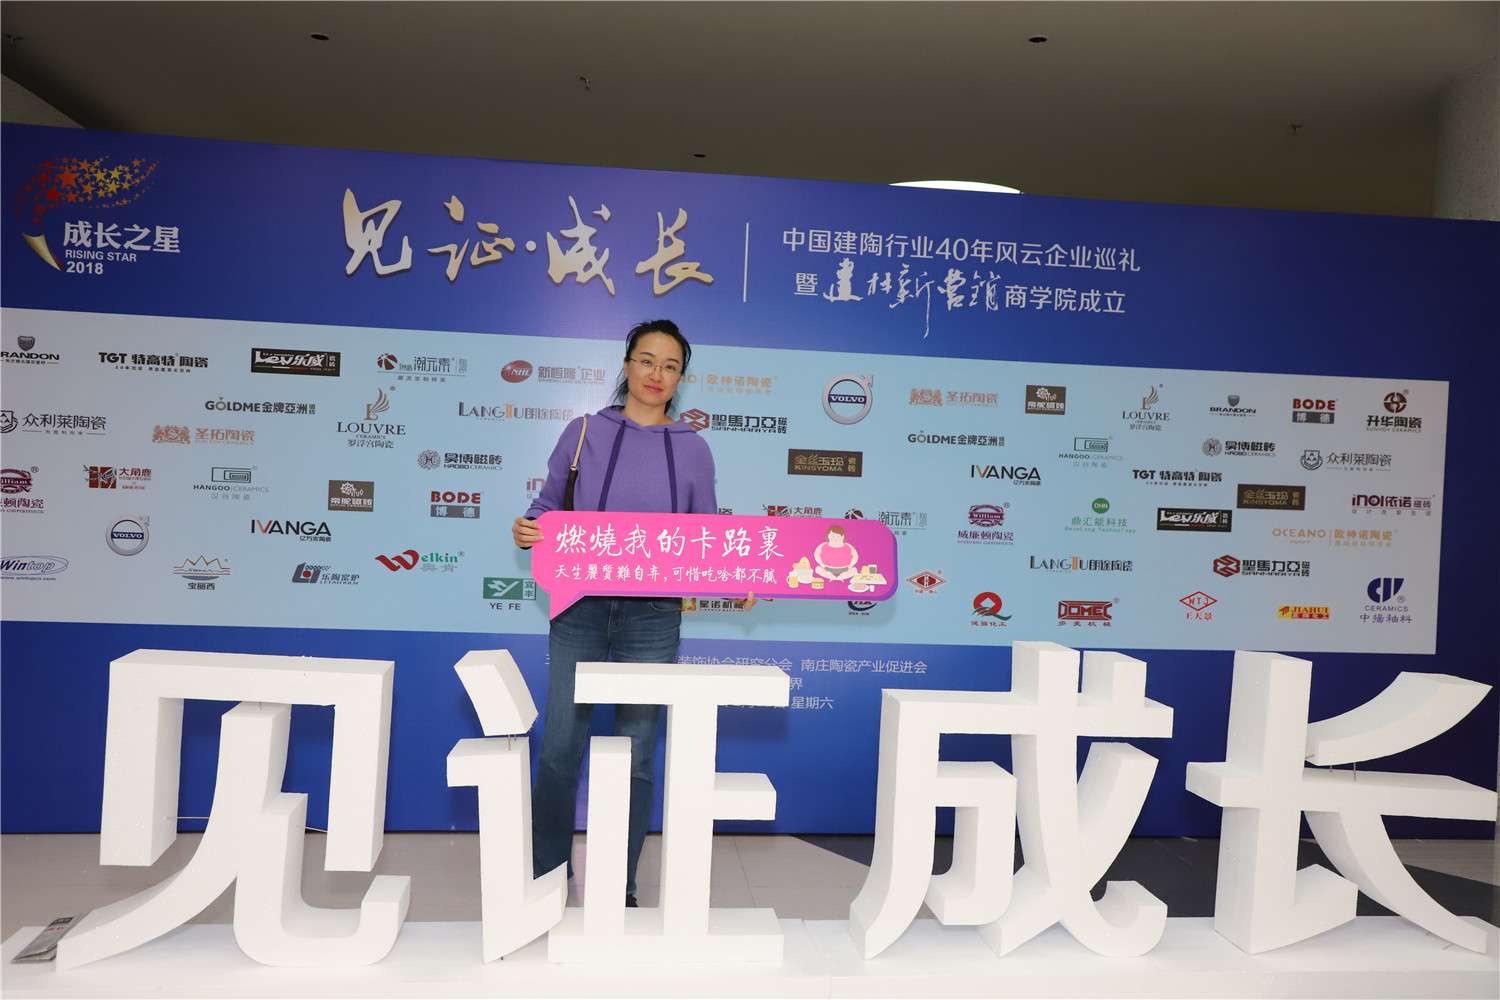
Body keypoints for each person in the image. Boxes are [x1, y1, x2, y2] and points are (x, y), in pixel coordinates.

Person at [512, 319, 752, 907]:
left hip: (654, 616)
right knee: (561, 746)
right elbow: (547, 506)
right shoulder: (584, 432)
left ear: (680, 378)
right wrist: (529, 527)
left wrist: (742, 574)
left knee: (638, 752)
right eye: (646, 361)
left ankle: (619, 885)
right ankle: (547, 877)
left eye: (670, 367)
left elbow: (706, 535)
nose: (656, 374)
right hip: (578, 607)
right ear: (626, 365)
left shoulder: (693, 448)